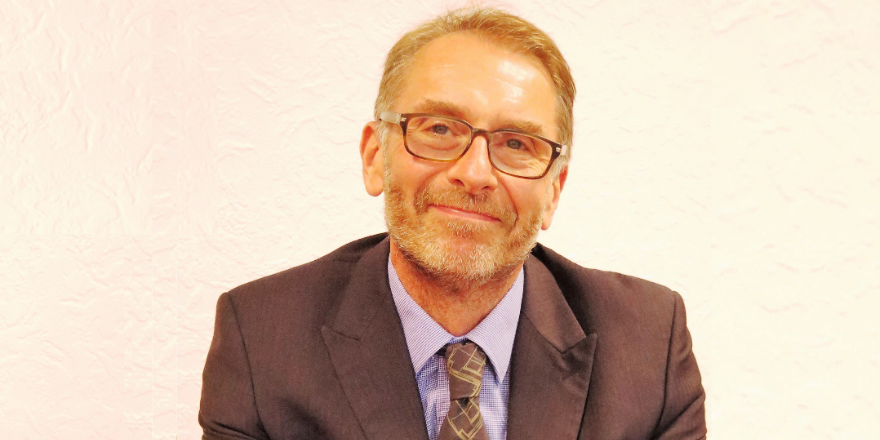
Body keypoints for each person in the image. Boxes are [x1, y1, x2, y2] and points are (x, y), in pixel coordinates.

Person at [199, 6, 706, 440]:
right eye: (439, 128)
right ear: (376, 156)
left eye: (516, 144)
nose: (474, 173)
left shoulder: (647, 348)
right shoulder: (262, 342)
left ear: (553, 189)